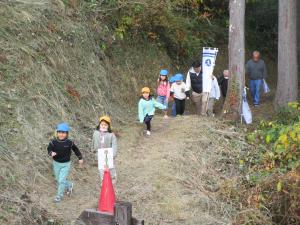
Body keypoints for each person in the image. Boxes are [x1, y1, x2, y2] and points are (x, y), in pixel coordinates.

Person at [47, 123, 83, 203]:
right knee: (58, 179)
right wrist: (51, 153)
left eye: (63, 133)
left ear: (67, 134)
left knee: (61, 180)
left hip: (66, 164)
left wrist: (80, 158)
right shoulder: (53, 142)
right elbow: (49, 149)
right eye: (60, 132)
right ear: (57, 132)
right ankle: (69, 185)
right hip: (56, 163)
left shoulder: (69, 142)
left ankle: (59, 196)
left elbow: (75, 149)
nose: (61, 134)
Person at [92, 116, 117, 182]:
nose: (103, 126)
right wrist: (93, 150)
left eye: (105, 125)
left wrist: (113, 155)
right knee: (101, 168)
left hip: (108, 154)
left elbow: (114, 146)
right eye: (102, 124)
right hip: (99, 154)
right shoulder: (96, 133)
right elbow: (93, 141)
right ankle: (103, 181)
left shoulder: (111, 135)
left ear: (108, 126)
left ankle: (112, 178)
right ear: (99, 124)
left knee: (110, 167)